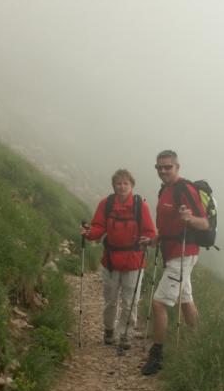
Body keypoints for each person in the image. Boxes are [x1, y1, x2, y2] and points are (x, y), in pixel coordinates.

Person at [142, 150, 209, 375]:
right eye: (159, 167)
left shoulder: (184, 189)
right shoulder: (165, 190)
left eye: (167, 167)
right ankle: (197, 342)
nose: (163, 171)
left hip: (183, 253)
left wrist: (190, 218)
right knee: (185, 300)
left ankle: (157, 355)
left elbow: (205, 224)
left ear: (177, 167)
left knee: (158, 304)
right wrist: (155, 240)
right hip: (172, 251)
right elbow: (167, 225)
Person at [81, 169, 156, 349]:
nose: (122, 187)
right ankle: (109, 330)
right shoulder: (106, 204)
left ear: (132, 185)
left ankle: (125, 335)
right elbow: (98, 227)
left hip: (133, 261)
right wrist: (89, 233)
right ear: (114, 185)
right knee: (110, 299)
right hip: (111, 261)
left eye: (125, 183)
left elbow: (150, 232)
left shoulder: (140, 206)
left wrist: (149, 240)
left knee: (130, 301)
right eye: (118, 183)